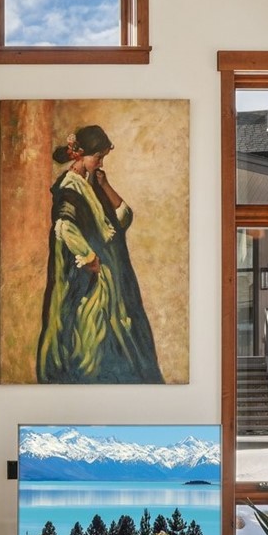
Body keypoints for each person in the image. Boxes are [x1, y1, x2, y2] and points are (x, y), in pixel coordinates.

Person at [35, 124, 162, 383]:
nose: (100, 162)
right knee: (91, 338)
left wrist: (106, 186)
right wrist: (89, 257)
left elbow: (123, 219)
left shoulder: (92, 184)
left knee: (119, 334)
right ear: (80, 155)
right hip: (88, 283)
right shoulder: (69, 187)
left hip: (112, 278)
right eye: (98, 157)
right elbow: (64, 226)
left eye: (103, 157)